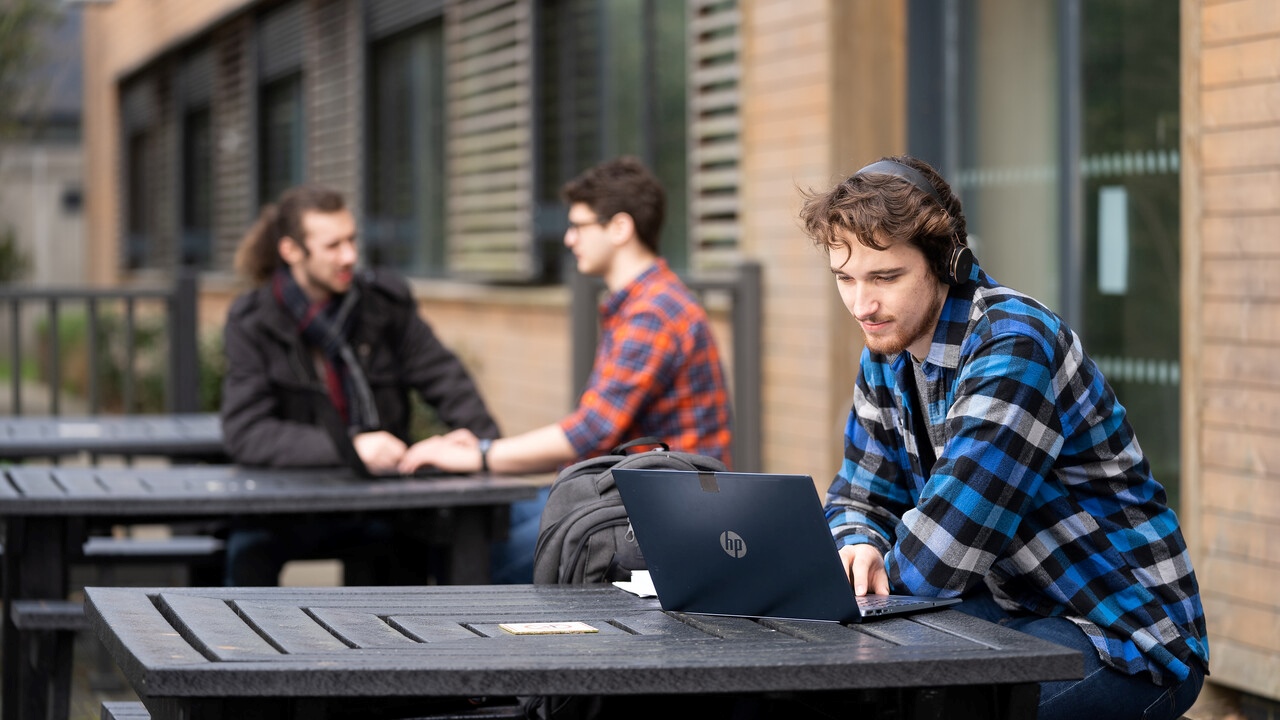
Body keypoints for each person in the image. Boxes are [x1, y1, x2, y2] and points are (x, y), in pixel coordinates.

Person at [797, 155, 1208, 720]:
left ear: (947, 263)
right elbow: (857, 496)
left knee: (939, 708)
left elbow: (941, 555)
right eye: (846, 278)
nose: (862, 305)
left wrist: (868, 572)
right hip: (1012, 609)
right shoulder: (886, 350)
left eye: (885, 277)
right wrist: (855, 544)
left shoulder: (1013, 342)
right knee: (837, 689)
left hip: (1122, 633)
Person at [400, 156, 733, 583]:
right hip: (626, 495)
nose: (568, 238)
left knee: (477, 555)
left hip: (662, 514)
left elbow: (588, 432)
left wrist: (478, 456)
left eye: (579, 226)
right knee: (472, 524)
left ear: (619, 228)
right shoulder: (643, 302)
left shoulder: (653, 312)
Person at [220, 183, 501, 586]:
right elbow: (247, 432)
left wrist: (480, 443)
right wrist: (350, 447)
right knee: (246, 561)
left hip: (381, 503)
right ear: (291, 251)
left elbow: (445, 378)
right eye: (333, 246)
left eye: (352, 240)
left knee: (425, 560)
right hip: (284, 505)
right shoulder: (254, 321)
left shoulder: (383, 304)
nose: (349, 256)